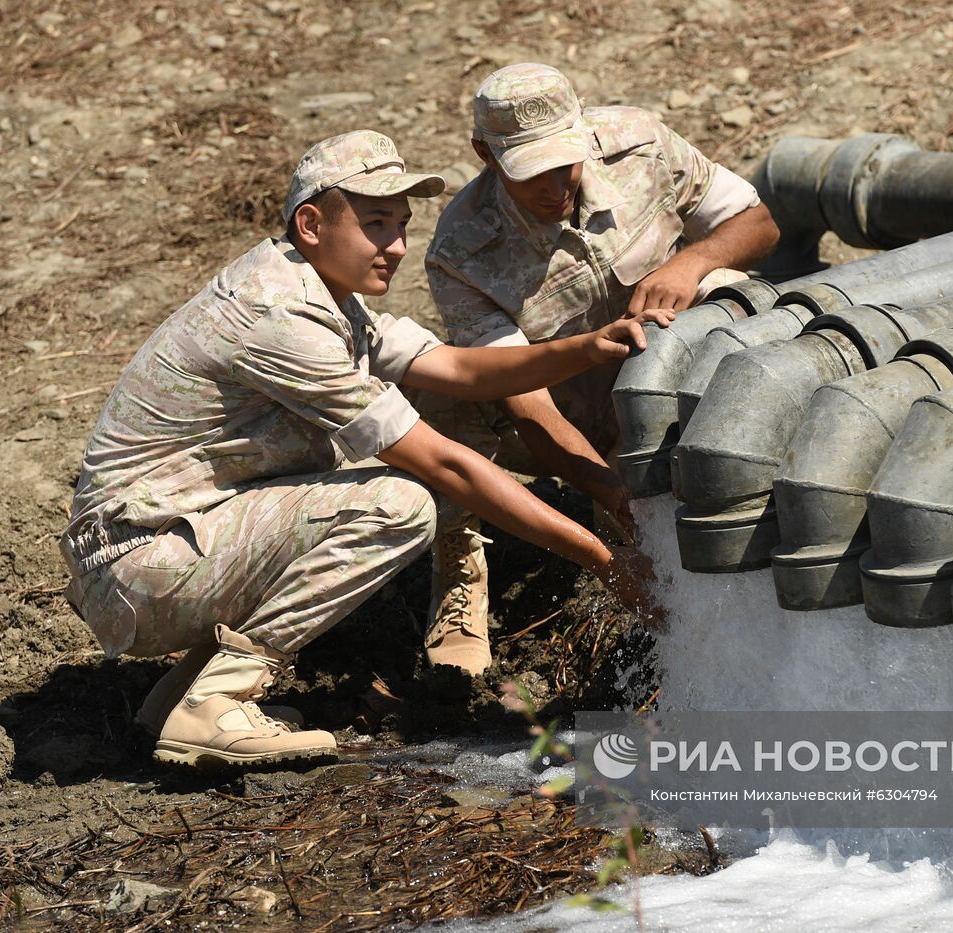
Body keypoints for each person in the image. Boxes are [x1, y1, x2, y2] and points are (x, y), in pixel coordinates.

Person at [59, 130, 666, 769]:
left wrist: (588, 346)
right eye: (376, 223)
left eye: (402, 225)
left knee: (397, 461)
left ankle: (182, 697)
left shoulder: (321, 293)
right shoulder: (278, 316)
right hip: (136, 566)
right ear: (312, 223)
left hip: (165, 548)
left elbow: (457, 370)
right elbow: (445, 462)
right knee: (399, 503)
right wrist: (602, 557)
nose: (397, 246)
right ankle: (219, 699)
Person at [421, 63, 780, 674]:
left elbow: (758, 224)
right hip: (578, 422)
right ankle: (459, 573)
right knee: (439, 393)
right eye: (531, 170)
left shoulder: (640, 144)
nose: (556, 184)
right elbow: (525, 400)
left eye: (566, 159)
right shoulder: (462, 250)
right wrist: (609, 491)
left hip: (686, 386)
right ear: (485, 154)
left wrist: (689, 264)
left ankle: (763, 456)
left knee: (727, 286)